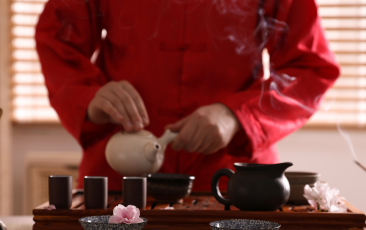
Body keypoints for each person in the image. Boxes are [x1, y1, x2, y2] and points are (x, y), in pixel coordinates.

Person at [35, 0, 340, 191]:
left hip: (236, 179)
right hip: (119, 176)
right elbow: (57, 40)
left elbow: (309, 68)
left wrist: (237, 114)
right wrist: (90, 96)